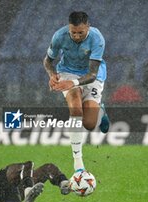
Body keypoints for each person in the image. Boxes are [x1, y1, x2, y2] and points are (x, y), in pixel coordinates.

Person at [43, 11, 109, 173]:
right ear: (69, 28)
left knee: (89, 123)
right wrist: (52, 75)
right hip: (67, 72)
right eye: (73, 32)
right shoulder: (59, 36)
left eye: (81, 32)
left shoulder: (97, 38)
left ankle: (101, 112)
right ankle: (78, 163)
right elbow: (47, 61)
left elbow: (92, 74)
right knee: (76, 110)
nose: (77, 36)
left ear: (88, 26)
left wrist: (70, 83)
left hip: (92, 75)